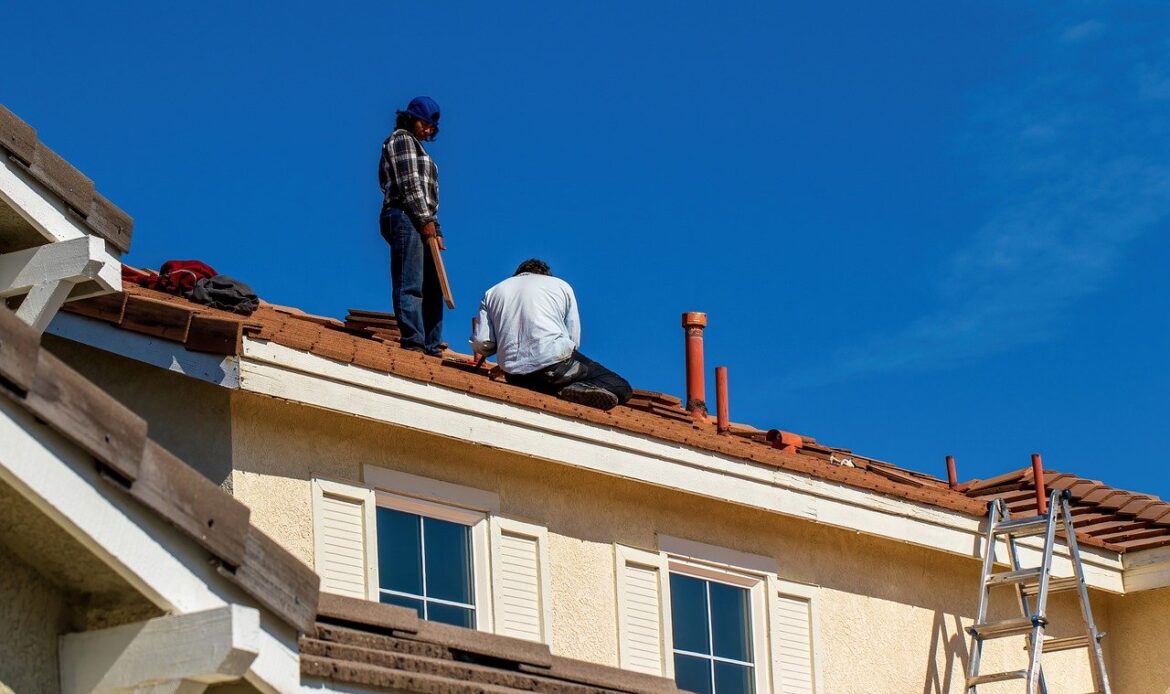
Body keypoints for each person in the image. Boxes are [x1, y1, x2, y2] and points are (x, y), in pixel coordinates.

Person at [471, 259, 633, 411]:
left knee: (540, 382)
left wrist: (507, 360)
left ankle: (562, 388)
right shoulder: (560, 285)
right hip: (555, 367)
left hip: (515, 376)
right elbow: (573, 339)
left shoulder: (492, 292)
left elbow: (482, 342)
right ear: (545, 275)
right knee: (620, 387)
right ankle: (570, 388)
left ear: (517, 274)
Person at [379, 96, 445, 355]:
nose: (428, 130)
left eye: (432, 127)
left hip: (421, 218)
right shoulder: (402, 140)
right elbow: (410, 185)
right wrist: (426, 220)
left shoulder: (421, 150)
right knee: (411, 281)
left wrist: (435, 228)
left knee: (434, 285)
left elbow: (429, 197)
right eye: (425, 124)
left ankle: (432, 343)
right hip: (405, 214)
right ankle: (414, 341)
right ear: (411, 119)